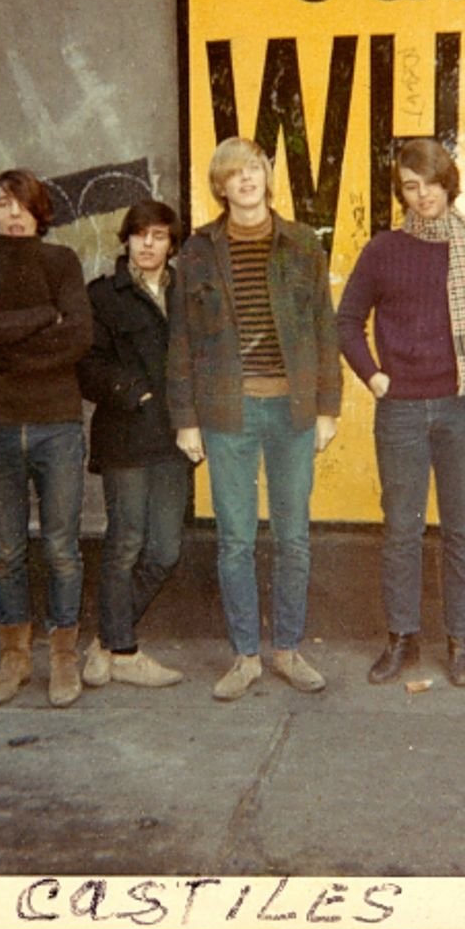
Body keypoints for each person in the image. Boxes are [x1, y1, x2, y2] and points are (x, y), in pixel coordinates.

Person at [337, 138, 465, 687]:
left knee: (463, 530)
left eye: (431, 183)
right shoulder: (383, 251)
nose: (423, 196)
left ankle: (462, 640)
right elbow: (347, 321)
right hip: (400, 413)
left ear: (449, 182)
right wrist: (374, 376)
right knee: (401, 530)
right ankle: (401, 639)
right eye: (411, 187)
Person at [167, 136, 342, 701]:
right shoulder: (197, 251)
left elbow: (324, 328)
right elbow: (182, 341)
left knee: (293, 537)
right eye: (234, 173)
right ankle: (245, 656)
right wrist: (185, 418)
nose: (247, 180)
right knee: (235, 540)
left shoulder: (301, 243)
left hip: (292, 410)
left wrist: (327, 408)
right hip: (227, 414)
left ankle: (287, 650)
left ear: (268, 178)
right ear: (220, 185)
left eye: (255, 170)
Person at [0, 168, 93, 708]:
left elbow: (78, 337)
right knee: (7, 550)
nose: (13, 214)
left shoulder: (62, 262)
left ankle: (63, 658)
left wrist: (6, 346)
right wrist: (41, 317)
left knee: (62, 547)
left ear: (40, 211)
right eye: (3, 204)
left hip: (56, 425)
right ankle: (14, 658)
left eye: (22, 205)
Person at [76, 200, 190, 689]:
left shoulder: (186, 292)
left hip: (175, 440)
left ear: (171, 243)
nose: (148, 244)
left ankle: (105, 640)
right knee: (125, 542)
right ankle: (123, 649)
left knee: (164, 550)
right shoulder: (102, 296)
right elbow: (86, 366)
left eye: (159, 235)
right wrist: (135, 391)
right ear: (126, 240)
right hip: (125, 436)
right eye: (140, 234)